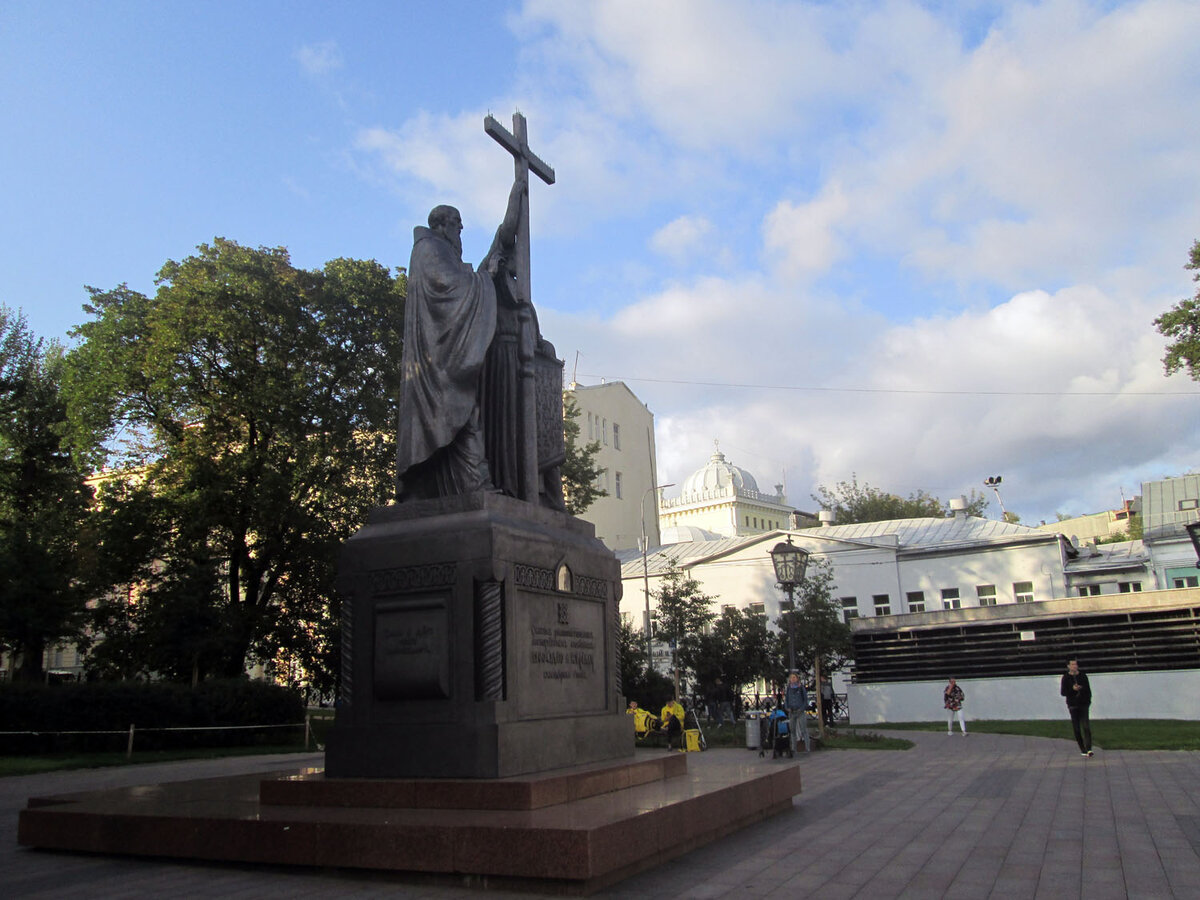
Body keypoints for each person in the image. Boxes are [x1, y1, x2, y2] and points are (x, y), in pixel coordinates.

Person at [1060, 659, 1093, 757]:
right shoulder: (1065, 677)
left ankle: (1089, 748)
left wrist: (1087, 699)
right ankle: (1082, 748)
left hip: (1083, 704)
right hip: (1073, 705)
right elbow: (1063, 692)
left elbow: (1088, 690)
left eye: (1076, 664)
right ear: (1068, 666)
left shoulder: (1083, 676)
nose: (1075, 666)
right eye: (1072, 664)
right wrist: (1072, 689)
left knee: (1086, 726)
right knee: (1077, 728)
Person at [783, 672, 811, 753]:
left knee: (803, 729)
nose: (793, 679)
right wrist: (787, 707)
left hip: (800, 711)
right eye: (791, 678)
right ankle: (793, 748)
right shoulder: (789, 688)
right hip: (792, 711)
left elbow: (805, 700)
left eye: (794, 677)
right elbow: (787, 699)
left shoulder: (801, 688)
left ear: (797, 678)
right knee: (792, 730)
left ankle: (807, 748)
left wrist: (802, 708)